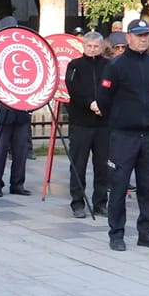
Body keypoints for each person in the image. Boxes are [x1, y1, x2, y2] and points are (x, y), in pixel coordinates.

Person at [101, 18, 149, 251]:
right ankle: (116, 233)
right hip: (123, 135)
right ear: (128, 38)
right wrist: (121, 117)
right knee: (119, 186)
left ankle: (146, 232)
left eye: (146, 35)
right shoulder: (116, 65)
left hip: (148, 135)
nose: (143, 39)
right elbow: (104, 99)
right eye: (138, 35)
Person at [0, 17, 35, 198]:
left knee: (21, 151)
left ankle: (17, 183)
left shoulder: (24, 51)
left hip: (21, 111)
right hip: (2, 110)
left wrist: (32, 105)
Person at [62, 30, 111, 217]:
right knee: (78, 164)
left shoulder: (108, 66)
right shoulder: (75, 65)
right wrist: (90, 103)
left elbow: (111, 88)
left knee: (102, 166)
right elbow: (73, 88)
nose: (92, 50)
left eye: (96, 46)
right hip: (81, 123)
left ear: (101, 47)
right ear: (83, 47)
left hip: (103, 124)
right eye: (89, 46)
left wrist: (102, 106)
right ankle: (77, 202)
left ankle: (100, 203)